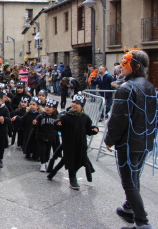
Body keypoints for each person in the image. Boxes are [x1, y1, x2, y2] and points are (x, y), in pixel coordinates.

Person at [104, 49, 157, 229]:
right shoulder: (149, 86)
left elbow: (118, 118)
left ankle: (142, 222)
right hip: (144, 141)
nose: (120, 67)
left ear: (134, 66)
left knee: (129, 181)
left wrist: (109, 139)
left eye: (124, 64)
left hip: (129, 142)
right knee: (134, 178)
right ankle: (129, 208)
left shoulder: (126, 88)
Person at [52, 93, 99, 189]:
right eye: (73, 102)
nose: (74, 104)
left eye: (77, 103)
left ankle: (57, 172)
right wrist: (57, 124)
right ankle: (72, 177)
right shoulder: (65, 117)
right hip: (69, 144)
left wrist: (94, 130)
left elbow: (88, 129)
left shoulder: (85, 118)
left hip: (81, 144)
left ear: (81, 106)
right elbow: (58, 127)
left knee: (80, 160)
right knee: (70, 161)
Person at [33, 99, 59, 172]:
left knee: (48, 150)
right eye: (46, 106)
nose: (47, 108)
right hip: (41, 136)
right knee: (42, 150)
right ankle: (42, 163)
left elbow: (58, 128)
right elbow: (36, 125)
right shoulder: (41, 116)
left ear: (54, 109)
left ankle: (46, 161)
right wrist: (34, 123)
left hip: (51, 137)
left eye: (49, 107)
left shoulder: (56, 117)